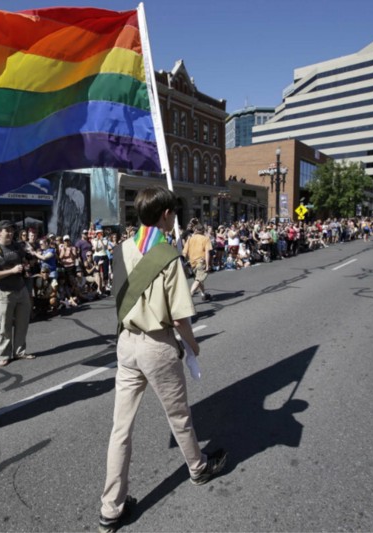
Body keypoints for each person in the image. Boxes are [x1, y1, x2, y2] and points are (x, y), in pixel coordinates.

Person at [98, 187, 226, 533]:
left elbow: (118, 295)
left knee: (120, 429)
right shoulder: (167, 254)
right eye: (173, 213)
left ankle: (111, 508)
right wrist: (194, 347)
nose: (175, 219)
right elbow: (181, 317)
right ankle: (198, 468)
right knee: (179, 416)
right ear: (166, 215)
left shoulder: (120, 249)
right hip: (157, 344)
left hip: (126, 343)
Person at [0, 220, 36, 367]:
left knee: (22, 323)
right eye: (7, 230)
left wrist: (26, 265)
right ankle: (4, 355)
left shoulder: (17, 246)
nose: (10, 233)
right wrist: (11, 271)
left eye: (12, 230)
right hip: (4, 293)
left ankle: (20, 351)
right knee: (5, 326)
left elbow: (25, 261)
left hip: (21, 289)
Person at [182, 223, 212, 302]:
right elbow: (207, 252)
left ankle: (203, 294)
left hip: (192, 262)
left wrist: (183, 261)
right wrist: (208, 265)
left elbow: (184, 251)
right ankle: (189, 295)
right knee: (199, 279)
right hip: (201, 261)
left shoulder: (189, 239)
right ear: (202, 231)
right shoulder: (205, 239)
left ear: (195, 230)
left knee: (198, 278)